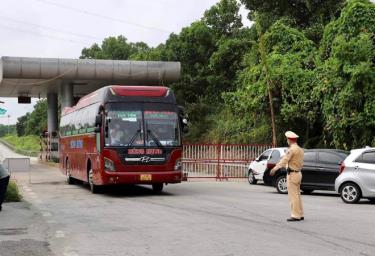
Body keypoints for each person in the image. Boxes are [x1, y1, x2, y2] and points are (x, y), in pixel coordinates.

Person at [270, 131, 304, 222]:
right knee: (297, 195)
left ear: (289, 140)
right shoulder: (300, 149)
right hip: (298, 173)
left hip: (292, 174)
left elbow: (284, 161)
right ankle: (300, 214)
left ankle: (295, 215)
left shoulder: (291, 150)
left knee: (293, 196)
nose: (287, 141)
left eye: (287, 139)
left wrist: (274, 169)